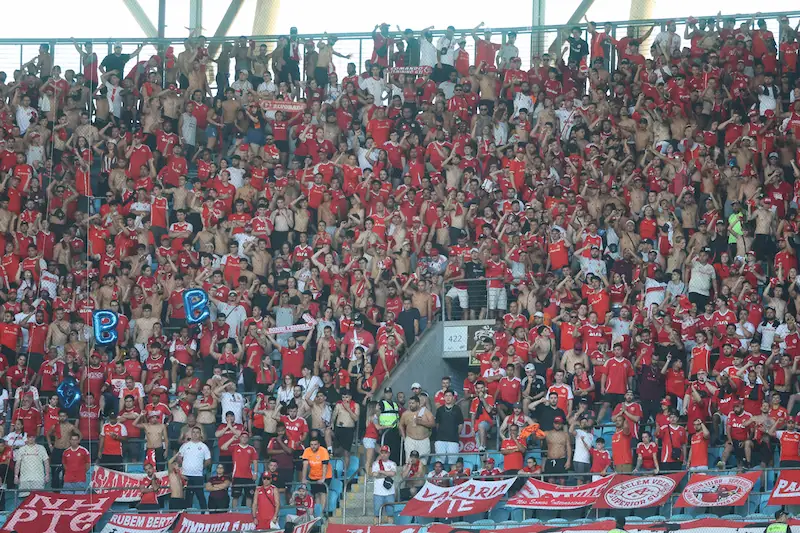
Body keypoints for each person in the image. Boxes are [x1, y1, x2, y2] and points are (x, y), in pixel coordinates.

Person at [179, 426, 212, 509]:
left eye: (197, 432)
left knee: (200, 495)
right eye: (193, 432)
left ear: (200, 434)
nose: (195, 434)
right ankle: (186, 514)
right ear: (191, 434)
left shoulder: (203, 446)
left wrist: (201, 467)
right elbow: (179, 457)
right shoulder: (185, 445)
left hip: (198, 475)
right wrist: (184, 466)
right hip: (185, 475)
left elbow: (208, 460)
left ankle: (204, 512)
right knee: (188, 497)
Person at [372, 445, 397, 525]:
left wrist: (382, 472)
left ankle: (390, 528)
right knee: (377, 514)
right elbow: (374, 474)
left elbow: (393, 473)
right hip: (378, 493)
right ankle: (376, 527)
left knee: (390, 514)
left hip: (389, 493)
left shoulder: (392, 463)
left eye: (385, 453)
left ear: (389, 454)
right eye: (382, 453)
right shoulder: (376, 464)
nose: (383, 455)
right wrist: (387, 474)